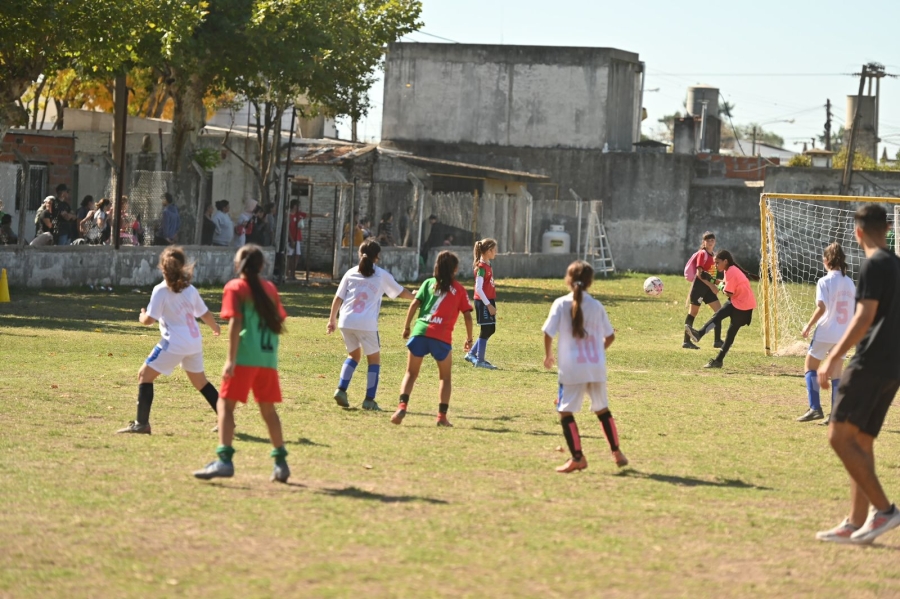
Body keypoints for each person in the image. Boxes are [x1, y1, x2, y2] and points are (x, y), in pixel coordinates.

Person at [816, 204, 900, 544]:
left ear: (858, 231)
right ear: (888, 227)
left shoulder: (874, 263)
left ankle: (885, 510)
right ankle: (855, 522)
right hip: (893, 366)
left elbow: (864, 316)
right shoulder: (896, 264)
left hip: (870, 363)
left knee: (838, 437)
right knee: (861, 442)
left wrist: (832, 357)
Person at [194, 244, 291, 483]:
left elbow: (236, 324)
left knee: (225, 406)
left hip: (245, 357)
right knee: (269, 411)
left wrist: (230, 360)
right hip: (268, 358)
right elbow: (277, 320)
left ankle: (224, 461)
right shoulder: (270, 288)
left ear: (238, 265)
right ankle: (281, 463)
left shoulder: (235, 287)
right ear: (261, 266)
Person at [116, 246, 222, 434]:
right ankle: (226, 420)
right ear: (182, 267)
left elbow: (149, 320)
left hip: (174, 343)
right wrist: (215, 327)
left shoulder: (161, 290)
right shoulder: (190, 290)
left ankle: (142, 424)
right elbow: (204, 313)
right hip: (194, 341)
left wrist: (141, 316)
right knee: (201, 382)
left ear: (162, 268)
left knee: (144, 375)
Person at [542, 260, 627, 473]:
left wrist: (548, 355)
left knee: (565, 412)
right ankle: (617, 452)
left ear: (568, 279)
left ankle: (578, 458)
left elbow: (548, 332)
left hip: (572, 368)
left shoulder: (561, 304)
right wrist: (597, 353)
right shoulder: (597, 306)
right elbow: (610, 336)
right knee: (602, 409)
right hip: (595, 367)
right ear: (590, 282)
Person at [327, 240, 415, 411]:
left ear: (360, 254)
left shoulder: (350, 272)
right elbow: (400, 292)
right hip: (366, 323)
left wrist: (332, 320)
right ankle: (369, 400)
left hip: (346, 321)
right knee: (373, 361)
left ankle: (341, 390)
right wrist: (415, 297)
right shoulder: (381, 275)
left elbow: (338, 297)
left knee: (353, 356)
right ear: (378, 256)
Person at [391, 251, 474, 427]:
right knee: (445, 378)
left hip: (420, 332)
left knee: (411, 374)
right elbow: (467, 315)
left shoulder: (428, 283)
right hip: (441, 337)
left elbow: (414, 304)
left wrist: (407, 327)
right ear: (455, 269)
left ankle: (401, 406)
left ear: (436, 266)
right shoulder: (459, 289)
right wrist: (469, 338)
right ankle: (441, 417)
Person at [797, 243, 856, 423]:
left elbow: (821, 307)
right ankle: (836, 414)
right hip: (843, 334)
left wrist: (808, 326)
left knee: (810, 366)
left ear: (827, 260)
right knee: (837, 373)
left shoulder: (824, 281)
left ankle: (815, 408)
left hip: (825, 332)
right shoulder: (849, 282)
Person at [685, 250, 756, 368]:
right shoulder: (729, 270)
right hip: (738, 301)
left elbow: (728, 292)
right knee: (718, 316)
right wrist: (710, 279)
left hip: (743, 306)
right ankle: (699, 335)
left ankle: (717, 359)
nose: (716, 265)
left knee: (730, 333)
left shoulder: (731, 272)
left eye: (717, 263)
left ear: (725, 261)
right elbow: (724, 284)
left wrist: (716, 284)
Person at [682, 232, 723, 350]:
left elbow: (710, 274)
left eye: (712, 240)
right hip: (700, 287)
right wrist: (711, 286)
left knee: (719, 311)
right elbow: (699, 274)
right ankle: (686, 341)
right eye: (708, 240)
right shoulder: (702, 253)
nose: (710, 242)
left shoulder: (713, 255)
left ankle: (717, 340)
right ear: (704, 242)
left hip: (708, 287)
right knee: (693, 312)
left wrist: (717, 282)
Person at [465, 238, 499, 369]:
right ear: (488, 251)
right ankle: (480, 360)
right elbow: (478, 288)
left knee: (491, 329)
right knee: (486, 329)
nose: (496, 252)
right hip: (483, 301)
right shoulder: (481, 267)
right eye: (494, 250)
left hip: (489, 300)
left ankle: (471, 354)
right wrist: (488, 305)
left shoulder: (487, 264)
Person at [287, 200, 308, 278]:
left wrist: (323, 215)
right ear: (294, 206)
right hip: (290, 239)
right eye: (298, 205)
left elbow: (309, 215)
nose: (299, 207)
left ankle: (292, 272)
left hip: (297, 238)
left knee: (297, 255)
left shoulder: (299, 214)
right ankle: (287, 273)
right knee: (288, 256)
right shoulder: (288, 215)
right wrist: (291, 239)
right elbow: (287, 229)